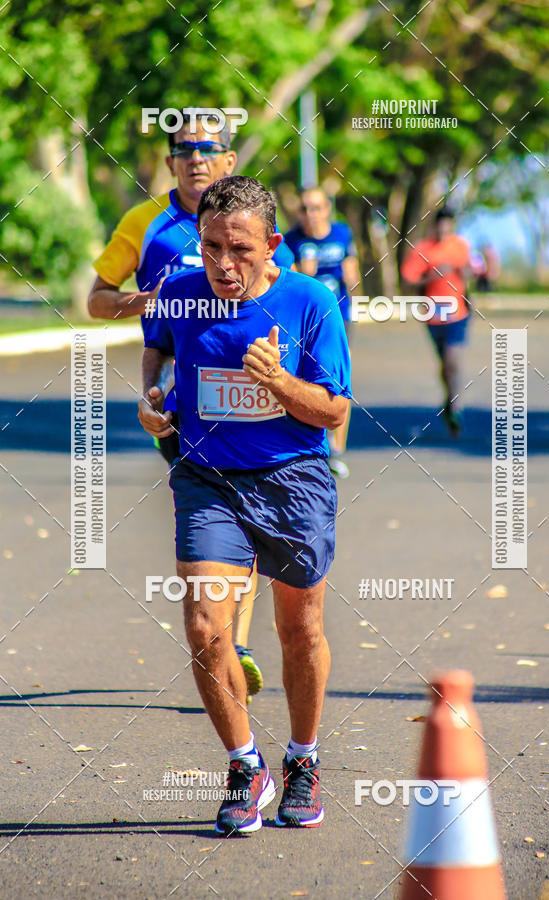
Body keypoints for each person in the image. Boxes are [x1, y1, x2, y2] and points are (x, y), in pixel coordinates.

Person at [138, 175, 351, 834]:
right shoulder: (179, 294)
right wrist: (151, 401)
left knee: (300, 630)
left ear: (273, 245)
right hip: (208, 479)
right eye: (210, 248)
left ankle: (304, 759)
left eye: (239, 250)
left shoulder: (309, 301)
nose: (223, 265)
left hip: (293, 479)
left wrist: (280, 382)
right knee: (206, 628)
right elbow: (158, 353)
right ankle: (243, 764)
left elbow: (335, 406)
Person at [88, 111, 292, 698]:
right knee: (216, 512)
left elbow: (291, 297)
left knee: (246, 512)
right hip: (182, 404)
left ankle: (238, 643)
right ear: (169, 160)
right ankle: (224, 634)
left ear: (230, 159)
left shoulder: (251, 216)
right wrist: (154, 300)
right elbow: (97, 300)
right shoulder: (144, 222)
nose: (195, 157)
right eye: (183, 149)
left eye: (208, 147)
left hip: (255, 395)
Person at [285, 187, 360, 479]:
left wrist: (358, 295)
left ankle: (337, 450)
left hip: (338, 318)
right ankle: (311, 445)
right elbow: (292, 284)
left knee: (340, 380)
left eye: (316, 208)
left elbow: (351, 272)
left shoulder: (341, 234)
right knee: (306, 380)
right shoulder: (292, 241)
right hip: (306, 320)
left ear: (327, 209)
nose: (310, 215)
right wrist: (306, 273)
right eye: (304, 209)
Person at [402, 207, 471, 436]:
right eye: (440, 224)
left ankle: (455, 406)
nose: (444, 228)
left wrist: (473, 271)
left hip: (458, 313)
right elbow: (409, 281)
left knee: (453, 359)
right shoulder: (423, 249)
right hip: (433, 314)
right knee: (444, 363)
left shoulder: (460, 247)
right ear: (435, 226)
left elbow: (471, 273)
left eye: (448, 224)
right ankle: (449, 398)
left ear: (451, 226)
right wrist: (435, 274)